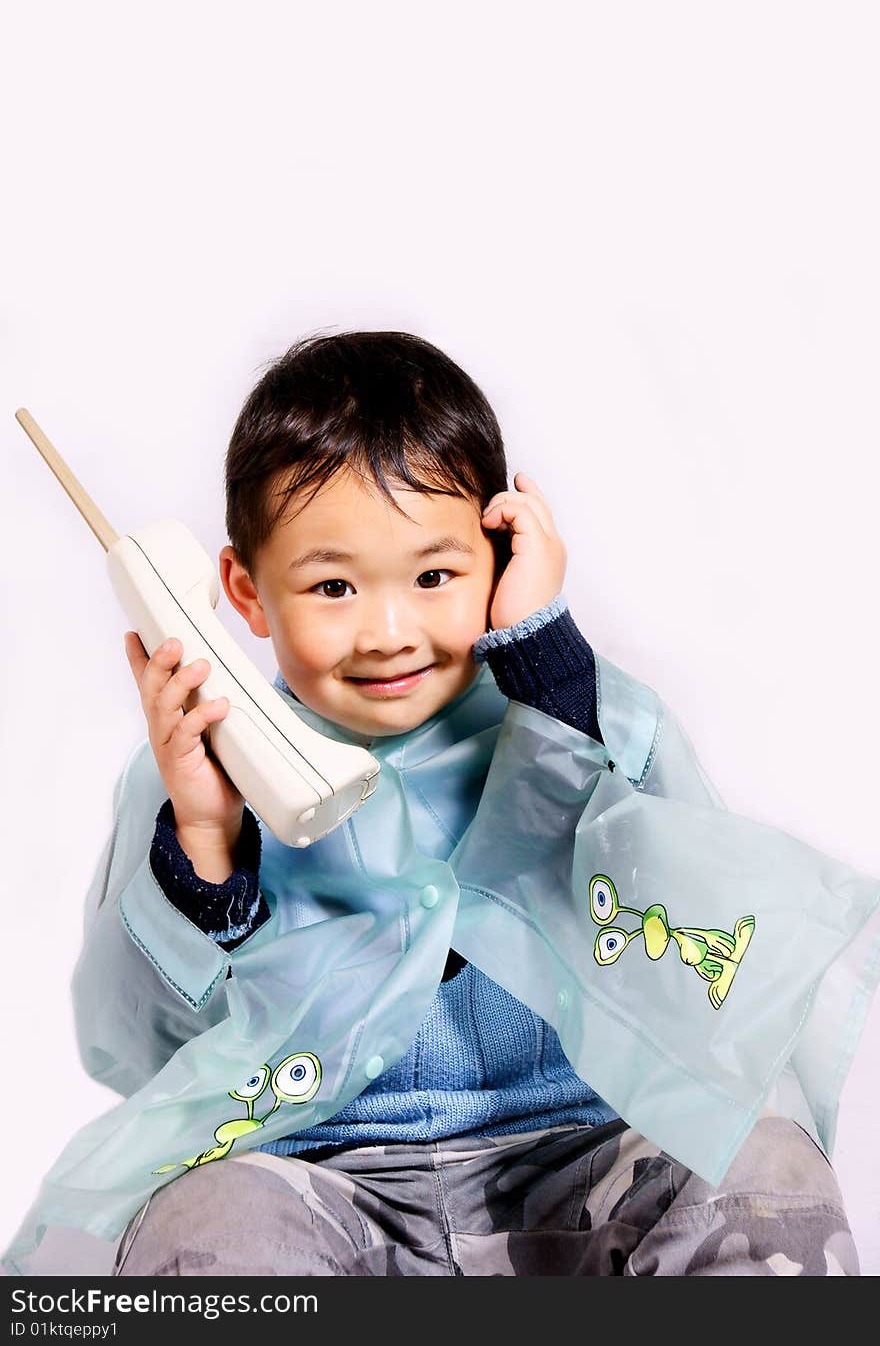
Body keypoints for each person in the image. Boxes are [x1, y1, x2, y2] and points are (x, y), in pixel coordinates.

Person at [8, 331, 868, 1277]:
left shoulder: (590, 712)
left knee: (764, 1167)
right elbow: (133, 1052)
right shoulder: (194, 777)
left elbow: (696, 944)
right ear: (245, 596)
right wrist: (204, 844)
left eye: (433, 577)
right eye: (332, 586)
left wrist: (550, 677)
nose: (387, 633)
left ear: (501, 556)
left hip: (577, 1156)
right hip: (323, 1181)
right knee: (204, 1219)